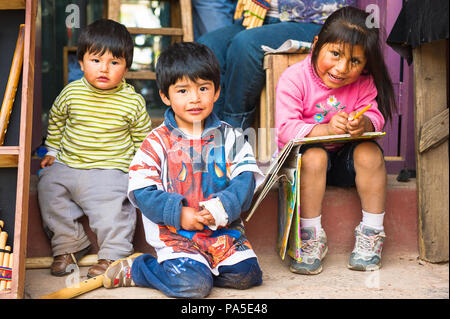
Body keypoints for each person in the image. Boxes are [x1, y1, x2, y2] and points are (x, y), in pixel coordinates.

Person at [101, 42, 265, 298]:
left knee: (248, 275)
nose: (195, 98)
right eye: (183, 90)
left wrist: (222, 206)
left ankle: (202, 268)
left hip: (223, 235)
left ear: (217, 91)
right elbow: (143, 191)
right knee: (193, 287)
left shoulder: (231, 137)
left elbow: (246, 180)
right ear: (165, 96)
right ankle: (141, 269)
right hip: (178, 237)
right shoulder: (156, 141)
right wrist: (179, 214)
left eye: (203, 88)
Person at [276, 6, 397, 275]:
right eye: (335, 54)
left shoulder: (364, 83)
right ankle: (310, 238)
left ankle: (371, 233)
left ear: (365, 64)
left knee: (370, 152)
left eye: (355, 61)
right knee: (314, 156)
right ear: (317, 44)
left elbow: (375, 116)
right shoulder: (294, 79)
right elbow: (285, 130)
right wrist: (326, 129)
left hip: (344, 166)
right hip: (305, 169)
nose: (342, 68)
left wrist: (362, 124)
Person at [37, 19, 152, 278]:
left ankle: (113, 253)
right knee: (47, 186)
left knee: (113, 209)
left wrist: (140, 170)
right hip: (69, 164)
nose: (104, 68)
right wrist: (53, 151)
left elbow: (142, 139)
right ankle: (69, 244)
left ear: (126, 67)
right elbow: (56, 120)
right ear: (81, 63)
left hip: (110, 169)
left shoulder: (132, 102)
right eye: (96, 60)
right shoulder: (70, 93)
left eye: (114, 62)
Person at [197, 0, 357, 130]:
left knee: (246, 44)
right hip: (261, 16)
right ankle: (210, 132)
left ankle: (233, 132)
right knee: (207, 47)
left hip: (314, 19)